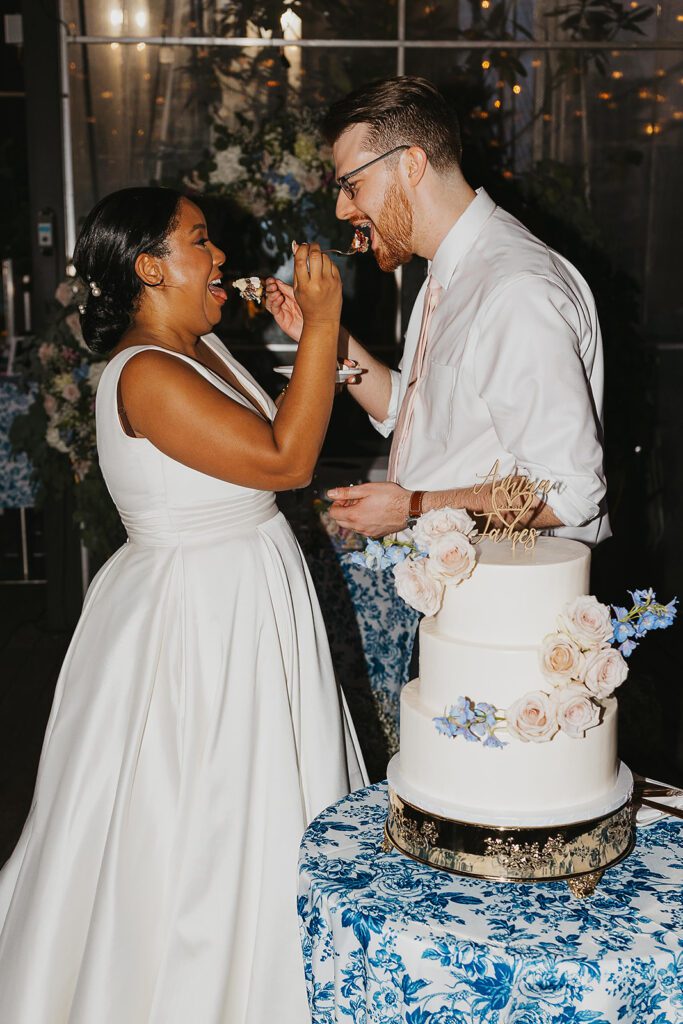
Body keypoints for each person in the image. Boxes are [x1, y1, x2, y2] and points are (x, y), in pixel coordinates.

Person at [0, 186, 367, 1023]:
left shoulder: (201, 349)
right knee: (190, 817)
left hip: (246, 596)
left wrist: (313, 349)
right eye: (200, 242)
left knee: (263, 797)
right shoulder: (145, 371)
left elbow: (274, 427)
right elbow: (285, 460)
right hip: (198, 621)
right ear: (149, 267)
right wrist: (318, 324)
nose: (220, 259)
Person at [265, 76, 610, 546]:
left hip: (503, 599)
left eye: (352, 185)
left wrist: (410, 508)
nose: (343, 209)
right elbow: (409, 411)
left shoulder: (514, 290)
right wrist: (324, 333)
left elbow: (567, 494)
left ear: (410, 164)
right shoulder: (452, 271)